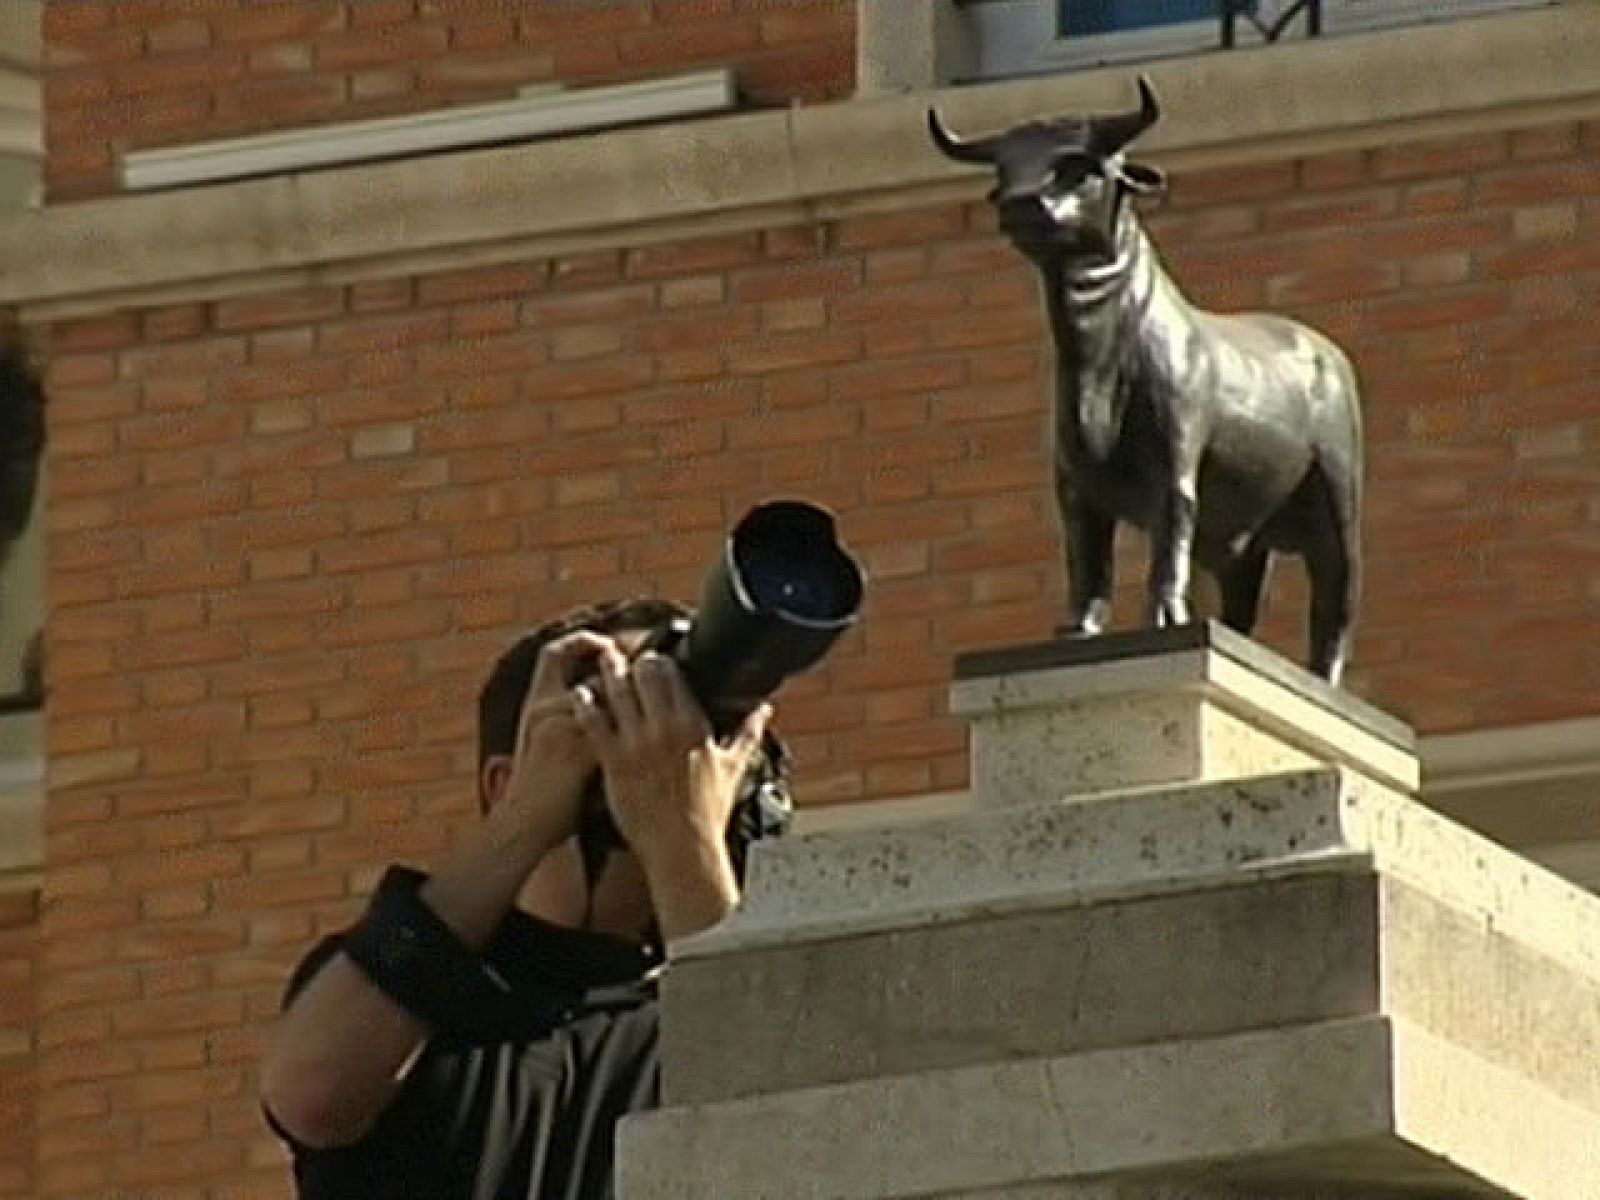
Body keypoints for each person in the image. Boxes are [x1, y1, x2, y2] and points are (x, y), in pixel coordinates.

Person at [260, 598, 792, 1200]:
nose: (654, 747)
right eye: (614, 713)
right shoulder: (407, 991)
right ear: (504, 783)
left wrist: (682, 835)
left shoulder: (716, 1008)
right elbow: (313, 1094)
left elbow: (792, 1136)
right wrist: (524, 821)